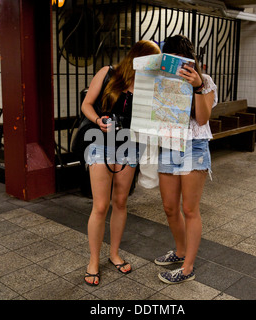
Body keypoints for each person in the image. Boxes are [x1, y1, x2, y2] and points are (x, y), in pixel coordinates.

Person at [81, 40, 161, 286]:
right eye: (153, 62)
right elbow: (86, 104)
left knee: (121, 202)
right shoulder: (108, 73)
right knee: (101, 205)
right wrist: (98, 120)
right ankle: (93, 260)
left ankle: (114, 254)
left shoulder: (150, 86)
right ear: (139, 58)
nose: (155, 67)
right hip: (101, 143)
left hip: (130, 146)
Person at [154, 35, 217, 284]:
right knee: (170, 207)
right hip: (169, 143)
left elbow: (202, 119)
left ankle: (188, 268)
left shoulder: (205, 81)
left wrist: (197, 86)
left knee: (189, 209)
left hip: (195, 145)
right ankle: (180, 251)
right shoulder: (162, 80)